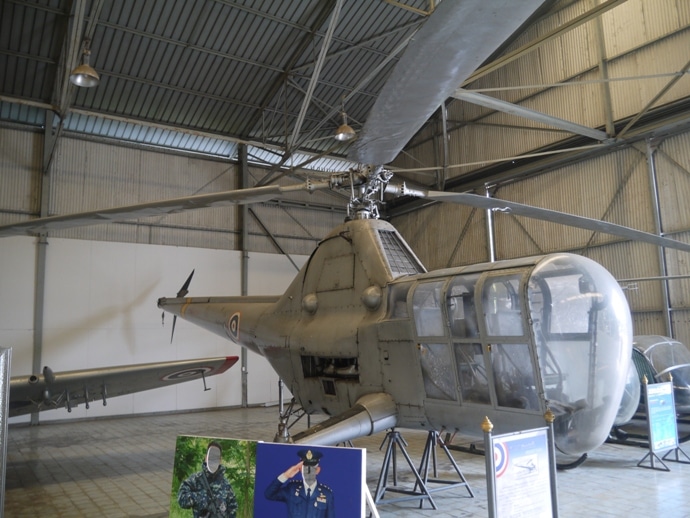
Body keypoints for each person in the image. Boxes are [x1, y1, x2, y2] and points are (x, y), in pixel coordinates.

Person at [264, 449, 335, 518]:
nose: (308, 472)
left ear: (317, 470)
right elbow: (269, 494)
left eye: (312, 468)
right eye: (306, 468)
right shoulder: (292, 490)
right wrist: (285, 475)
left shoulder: (326, 494)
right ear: (301, 469)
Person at [178, 441, 238, 518]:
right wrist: (201, 497)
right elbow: (181, 499)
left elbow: (233, 510)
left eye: (216, 457)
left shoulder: (226, 485)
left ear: (220, 460)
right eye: (211, 456)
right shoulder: (195, 479)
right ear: (206, 457)